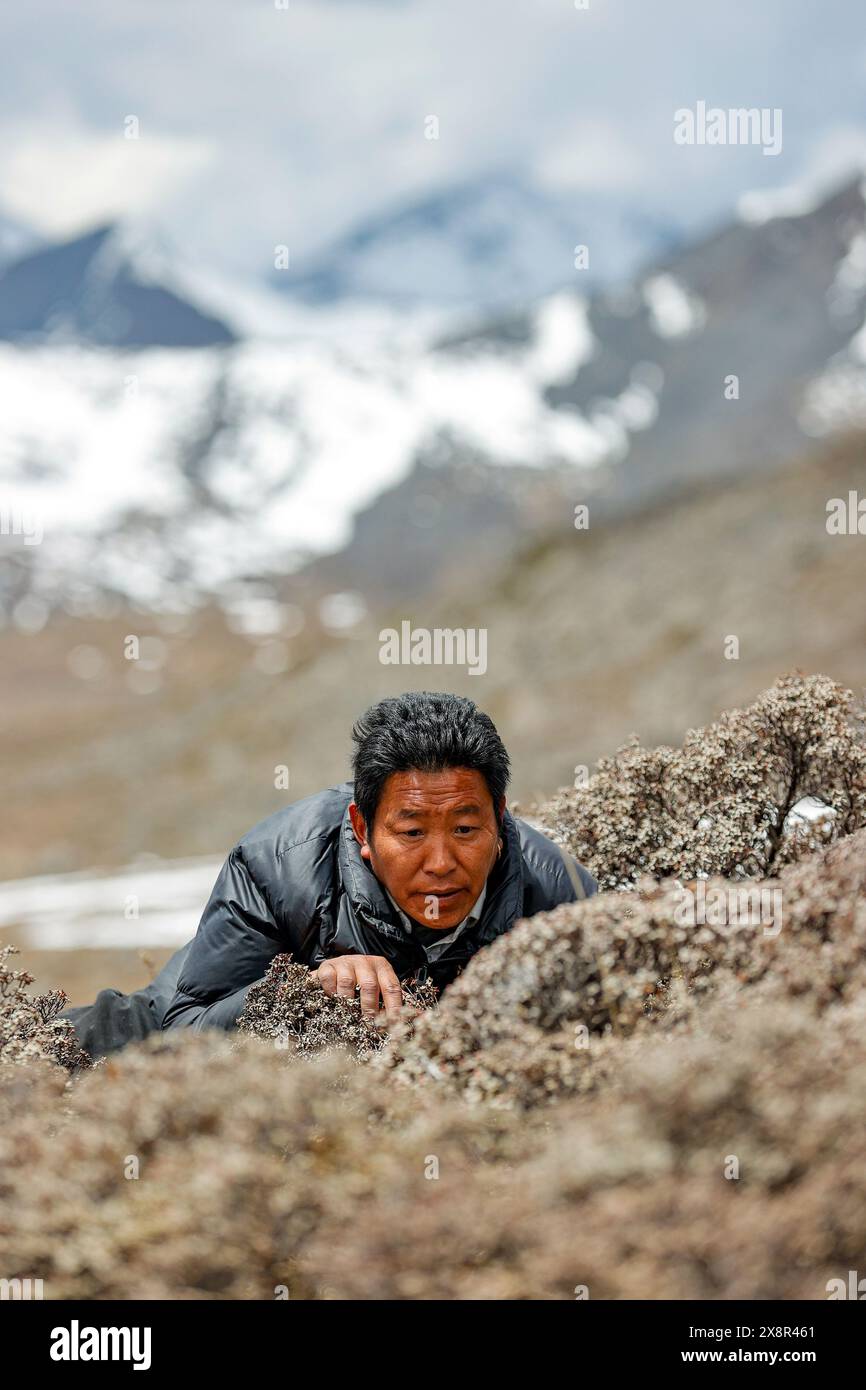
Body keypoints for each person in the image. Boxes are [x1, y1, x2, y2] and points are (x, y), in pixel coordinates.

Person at [63, 691, 597, 1057]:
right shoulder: (277, 868)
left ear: (499, 819)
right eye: (411, 833)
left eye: (464, 829)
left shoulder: (559, 895)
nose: (440, 862)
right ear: (362, 829)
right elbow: (185, 1029)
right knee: (108, 1040)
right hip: (187, 1007)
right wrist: (299, 989)